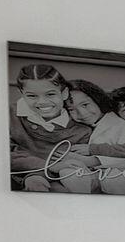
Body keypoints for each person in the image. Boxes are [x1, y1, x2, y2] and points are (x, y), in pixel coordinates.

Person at [9, 63, 95, 193]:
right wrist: (47, 166)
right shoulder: (10, 114)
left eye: (50, 94)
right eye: (32, 96)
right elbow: (2, 154)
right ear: (21, 93)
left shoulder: (81, 128)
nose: (42, 102)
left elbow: (73, 165)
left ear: (64, 93)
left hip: (62, 178)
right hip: (18, 177)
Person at [68, 78, 125, 195]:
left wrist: (93, 161)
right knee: (69, 174)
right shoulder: (75, 128)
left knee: (114, 179)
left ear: (98, 100)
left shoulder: (122, 125)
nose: (82, 113)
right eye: (71, 109)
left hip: (117, 176)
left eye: (85, 104)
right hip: (88, 175)